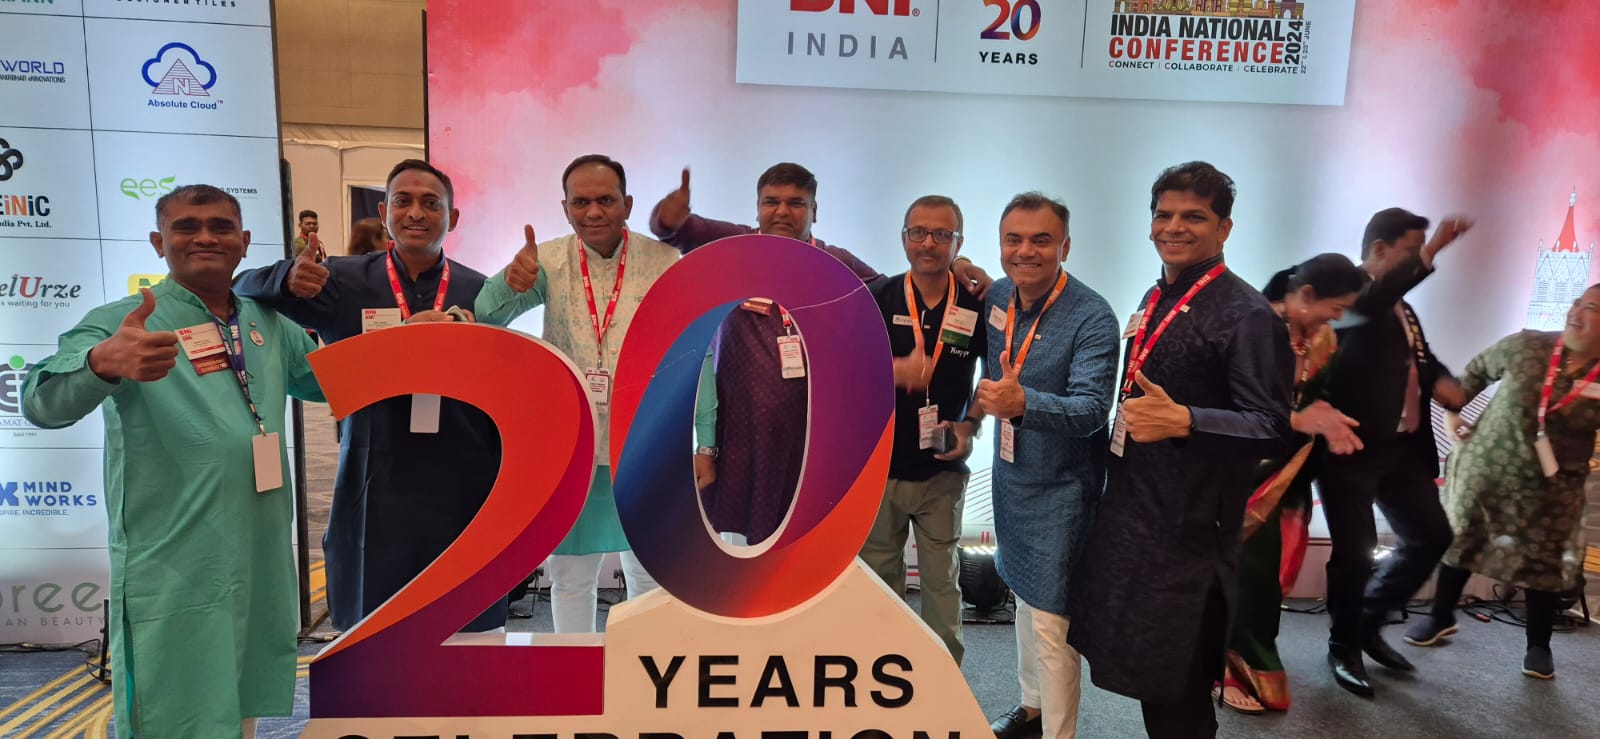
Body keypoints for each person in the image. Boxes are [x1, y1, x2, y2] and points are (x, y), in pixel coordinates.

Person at [23, 185, 323, 739]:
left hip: (258, 547)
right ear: (159, 242)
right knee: (175, 700)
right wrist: (100, 364)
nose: (205, 237)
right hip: (176, 558)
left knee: (241, 691)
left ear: (244, 242)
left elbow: (333, 379)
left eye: (220, 226)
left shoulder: (267, 322)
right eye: (187, 226)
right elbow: (41, 403)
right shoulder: (125, 321)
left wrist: (412, 338)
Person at [648, 163, 991, 545]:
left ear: (815, 211)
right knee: (737, 550)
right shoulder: (734, 245)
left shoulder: (836, 262)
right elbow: (675, 230)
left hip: (810, 438)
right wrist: (668, 215)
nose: (783, 211)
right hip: (739, 432)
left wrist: (955, 263)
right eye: (771, 202)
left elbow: (901, 289)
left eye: (796, 203)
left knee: (803, 546)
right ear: (757, 208)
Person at [1070, 162, 1293, 739]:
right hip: (1134, 516)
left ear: (1224, 228)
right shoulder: (1156, 296)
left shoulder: (1247, 315)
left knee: (1179, 688)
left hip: (1190, 534)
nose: (1174, 227)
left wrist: (1186, 420)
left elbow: (1272, 425)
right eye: (1163, 215)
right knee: (1149, 675)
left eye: (1194, 216)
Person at [234, 159, 506, 632]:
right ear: (384, 213)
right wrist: (285, 278)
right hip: (373, 472)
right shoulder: (340, 281)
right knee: (373, 626)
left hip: (460, 472)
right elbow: (241, 290)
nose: (416, 213)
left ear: (453, 217)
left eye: (431, 203)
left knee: (461, 621)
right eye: (403, 201)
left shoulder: (477, 290)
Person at [476, 154, 683, 632]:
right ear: (565, 208)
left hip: (644, 441)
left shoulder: (664, 262)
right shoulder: (546, 261)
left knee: (648, 574)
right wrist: (509, 283)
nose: (593, 212)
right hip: (572, 441)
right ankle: (575, 669)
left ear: (628, 204)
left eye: (606, 200)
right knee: (570, 576)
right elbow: (488, 316)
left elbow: (695, 352)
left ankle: (640, 670)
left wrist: (704, 440)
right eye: (581, 202)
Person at [1403, 285, 1600, 679]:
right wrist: (1453, 418)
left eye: (1590, 308)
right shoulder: (1528, 345)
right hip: (1487, 470)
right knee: (1463, 540)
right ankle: (1440, 616)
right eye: (1576, 302)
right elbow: (1469, 378)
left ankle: (1539, 645)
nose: (1575, 311)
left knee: (1544, 560)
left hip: (1554, 488)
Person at [980, 193, 1119, 739]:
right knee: (1022, 595)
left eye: (1041, 240)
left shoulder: (1092, 316)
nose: (1025, 251)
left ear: (1065, 246)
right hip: (1012, 476)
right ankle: (1032, 707)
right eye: (1013, 239)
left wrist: (1024, 404)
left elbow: (1091, 409)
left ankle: (1060, 731)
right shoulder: (997, 295)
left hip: (1063, 489)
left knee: (1051, 620)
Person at [1317, 208, 1472, 696]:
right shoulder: (1348, 293)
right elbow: (1371, 304)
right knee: (1354, 554)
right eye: (1411, 251)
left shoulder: (1401, 308)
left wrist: (1445, 385)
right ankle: (1343, 647)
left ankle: (1367, 621)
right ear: (1380, 250)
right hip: (1350, 445)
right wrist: (1432, 251)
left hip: (1401, 446)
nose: (1420, 259)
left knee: (1431, 535)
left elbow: (1419, 358)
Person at [1219, 253, 1365, 714]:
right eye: (1335, 307)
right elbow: (1228, 405)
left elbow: (1317, 399)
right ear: (1306, 295)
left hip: (1290, 473)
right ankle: (1223, 668)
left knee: (1273, 576)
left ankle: (1249, 659)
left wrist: (1328, 420)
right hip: (1239, 471)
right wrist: (1301, 418)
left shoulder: (1322, 339)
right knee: (1246, 575)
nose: (1337, 318)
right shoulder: (1253, 327)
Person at [859, 195, 988, 665]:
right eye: (919, 232)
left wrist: (970, 425)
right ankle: (882, 676)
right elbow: (845, 370)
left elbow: (996, 377)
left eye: (941, 234)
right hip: (881, 467)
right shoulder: (879, 297)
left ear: (958, 243)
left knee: (941, 583)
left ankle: (943, 680)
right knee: (879, 582)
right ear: (904, 238)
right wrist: (894, 370)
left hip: (943, 468)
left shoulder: (977, 303)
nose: (928, 243)